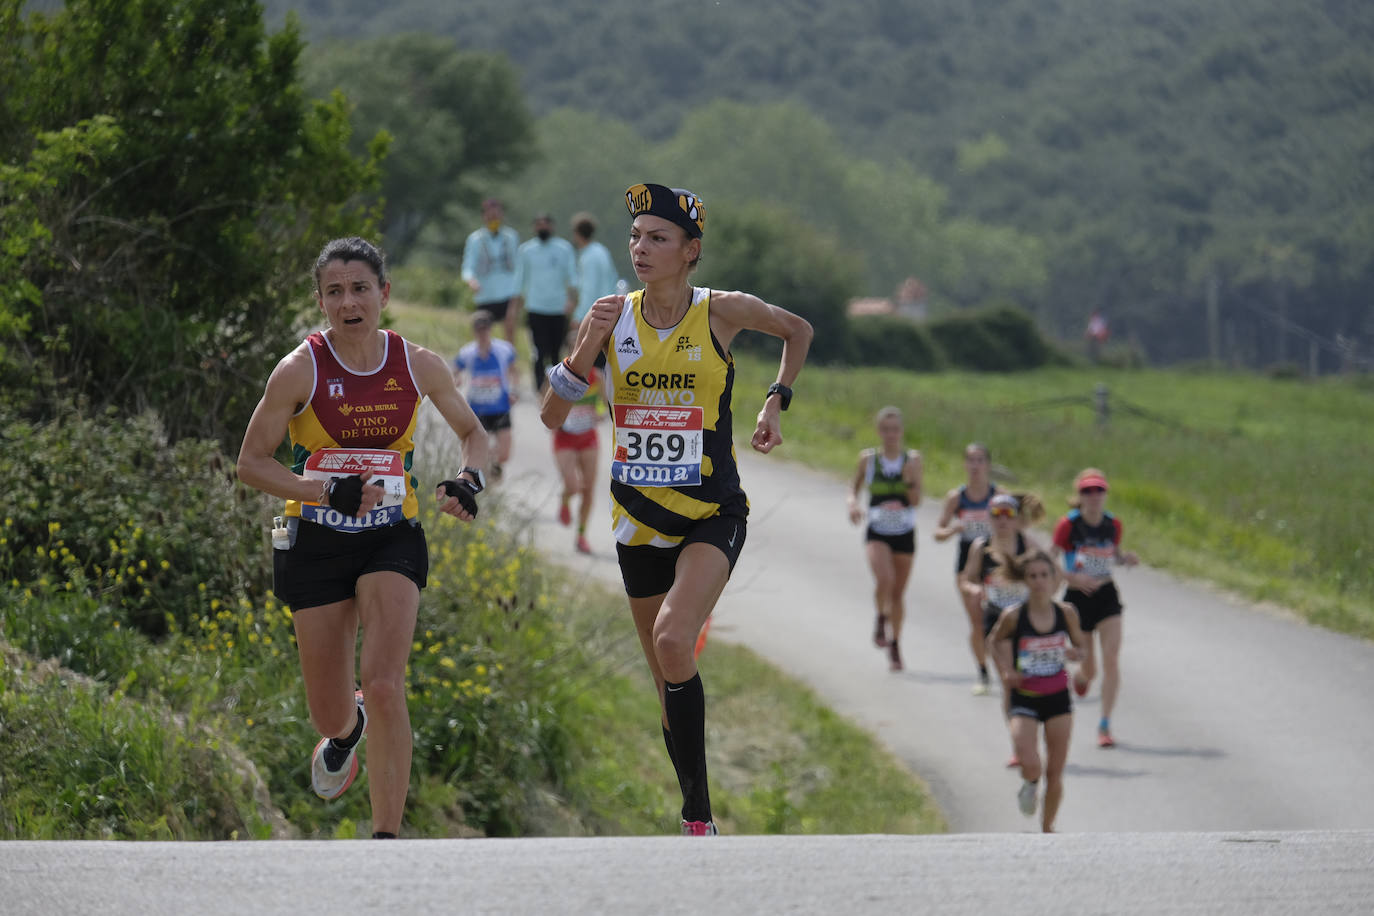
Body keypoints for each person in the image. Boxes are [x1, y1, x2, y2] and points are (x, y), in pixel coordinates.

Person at [540, 182, 813, 836]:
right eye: (635, 237)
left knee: (671, 638)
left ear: (690, 251)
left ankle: (697, 820)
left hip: (710, 515)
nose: (641, 248)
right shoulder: (609, 317)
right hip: (636, 521)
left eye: (657, 238)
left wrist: (776, 398)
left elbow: (798, 331)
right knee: (667, 687)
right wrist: (584, 349)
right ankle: (699, 810)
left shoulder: (722, 312)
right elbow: (553, 415)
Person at [237, 237, 489, 839]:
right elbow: (251, 462)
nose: (349, 302)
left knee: (382, 682)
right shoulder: (300, 369)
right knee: (329, 710)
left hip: (389, 539)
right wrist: (322, 491)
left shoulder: (418, 364)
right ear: (321, 301)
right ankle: (346, 732)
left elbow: (474, 434)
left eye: (360, 289)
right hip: (317, 539)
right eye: (334, 292)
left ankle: (386, 842)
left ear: (385, 293)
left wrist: (468, 480)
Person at [987, 549, 1087, 833]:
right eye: (1033, 576)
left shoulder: (1065, 613)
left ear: (1055, 579)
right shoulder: (1014, 616)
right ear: (1025, 580)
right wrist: (1006, 670)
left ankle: (1047, 830)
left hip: (1058, 698)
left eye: (1045, 575)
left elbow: (1081, 647)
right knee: (1031, 763)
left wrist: (1075, 654)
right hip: (1025, 699)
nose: (1039, 581)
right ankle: (1030, 784)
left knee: (1055, 772)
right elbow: (993, 642)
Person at [1051, 468, 1138, 748]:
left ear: (1105, 494)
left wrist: (1126, 559)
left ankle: (1105, 724)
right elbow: (1048, 559)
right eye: (1087, 491)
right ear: (1080, 495)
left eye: (1098, 490)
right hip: (1078, 599)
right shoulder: (1068, 525)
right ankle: (1082, 677)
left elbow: (1114, 554)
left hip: (1106, 595)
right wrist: (1070, 577)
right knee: (1090, 667)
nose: (1093, 496)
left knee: (1112, 658)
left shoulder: (1113, 525)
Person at [962, 492, 1045, 764]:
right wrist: (975, 589)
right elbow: (966, 578)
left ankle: (1029, 734)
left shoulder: (1027, 544)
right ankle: (1017, 746)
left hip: (1027, 621)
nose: (1003, 520)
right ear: (989, 517)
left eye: (1008, 514)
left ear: (1016, 518)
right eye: (997, 515)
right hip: (997, 622)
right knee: (1010, 683)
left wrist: (1041, 596)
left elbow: (1049, 575)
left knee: (1032, 683)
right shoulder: (981, 546)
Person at [846, 405, 923, 671]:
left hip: (904, 531)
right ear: (879, 432)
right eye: (886, 429)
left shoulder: (912, 460)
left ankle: (895, 644)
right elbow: (853, 488)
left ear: (901, 432)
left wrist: (910, 480)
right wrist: (853, 504)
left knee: (899, 594)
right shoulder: (868, 459)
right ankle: (881, 617)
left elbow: (916, 501)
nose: (891, 435)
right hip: (877, 530)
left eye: (895, 430)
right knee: (885, 580)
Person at [933, 442, 1000, 694]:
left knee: (1001, 619)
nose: (975, 466)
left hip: (994, 562)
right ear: (964, 464)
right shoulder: (956, 497)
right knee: (977, 622)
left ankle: (1006, 664)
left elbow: (1017, 526)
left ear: (988, 465)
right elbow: (937, 532)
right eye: (970, 460)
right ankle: (983, 673)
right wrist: (953, 529)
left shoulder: (997, 495)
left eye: (980, 460)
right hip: (966, 565)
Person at [452, 310, 519, 482]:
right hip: (477, 408)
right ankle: (487, 475)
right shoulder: (467, 352)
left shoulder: (504, 349)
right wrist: (456, 380)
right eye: (479, 330)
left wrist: (514, 390)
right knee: (480, 450)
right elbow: (454, 371)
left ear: (490, 329)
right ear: (474, 331)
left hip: (501, 406)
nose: (482, 334)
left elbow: (514, 371)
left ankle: (494, 462)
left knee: (504, 454)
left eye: (485, 329)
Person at [514, 212, 578, 390]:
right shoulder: (526, 250)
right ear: (534, 227)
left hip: (558, 308)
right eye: (539, 224)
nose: (542, 228)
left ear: (552, 227)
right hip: (535, 307)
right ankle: (539, 386)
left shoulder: (563, 248)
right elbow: (520, 281)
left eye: (545, 224)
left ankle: (556, 386)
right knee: (539, 350)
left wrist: (572, 302)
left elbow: (572, 279)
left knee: (557, 350)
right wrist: (516, 308)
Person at [553, 362, 603, 554]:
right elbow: (545, 402)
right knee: (573, 486)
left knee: (588, 489)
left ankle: (581, 535)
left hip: (588, 436)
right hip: (564, 439)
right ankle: (565, 498)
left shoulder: (597, 376)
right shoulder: (558, 375)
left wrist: (598, 413)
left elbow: (602, 403)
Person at [460, 197, 522, 343]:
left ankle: (509, 362)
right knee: (483, 330)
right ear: (484, 216)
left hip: (508, 290)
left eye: (496, 215)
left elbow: (518, 265)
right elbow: (468, 266)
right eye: (490, 215)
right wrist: (471, 280)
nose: (494, 219)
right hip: (485, 293)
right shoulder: (475, 239)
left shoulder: (511, 236)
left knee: (509, 328)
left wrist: (519, 291)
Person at [569, 211, 621, 366]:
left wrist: (578, 317)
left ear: (577, 234)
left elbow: (589, 290)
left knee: (593, 364)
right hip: (611, 310)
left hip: (596, 314)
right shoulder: (602, 251)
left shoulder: (588, 257)